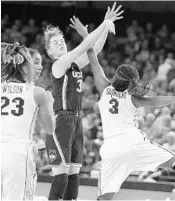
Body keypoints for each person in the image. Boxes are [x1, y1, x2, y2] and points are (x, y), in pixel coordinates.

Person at [70, 22, 175, 199]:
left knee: (104, 198)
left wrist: (84, 34)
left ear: (117, 75)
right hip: (133, 143)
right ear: (133, 80)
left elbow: (92, 56)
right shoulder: (134, 97)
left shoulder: (103, 86)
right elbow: (156, 100)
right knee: (172, 162)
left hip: (112, 148)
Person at [43, 2, 124, 200]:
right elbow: (85, 45)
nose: (61, 43)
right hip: (62, 119)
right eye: (56, 43)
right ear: (50, 52)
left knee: (73, 174)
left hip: (76, 120)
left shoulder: (74, 65)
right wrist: (104, 24)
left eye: (62, 40)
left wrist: (106, 25)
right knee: (61, 174)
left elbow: (94, 48)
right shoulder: (59, 64)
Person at [1, 42, 55, 200]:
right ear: (25, 68)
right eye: (34, 64)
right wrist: (50, 105)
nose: (37, 68)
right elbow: (50, 128)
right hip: (17, 156)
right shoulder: (38, 93)